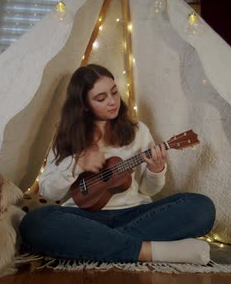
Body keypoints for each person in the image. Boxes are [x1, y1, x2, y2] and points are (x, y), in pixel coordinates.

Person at [19, 64, 215, 264]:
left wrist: (156, 170)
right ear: (84, 104)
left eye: (114, 92)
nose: (113, 102)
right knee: (34, 222)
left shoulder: (138, 130)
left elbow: (148, 190)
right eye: (101, 98)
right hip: (81, 218)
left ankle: (99, 243)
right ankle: (150, 251)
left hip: (135, 214)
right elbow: (50, 193)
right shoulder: (66, 135)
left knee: (202, 207)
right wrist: (77, 164)